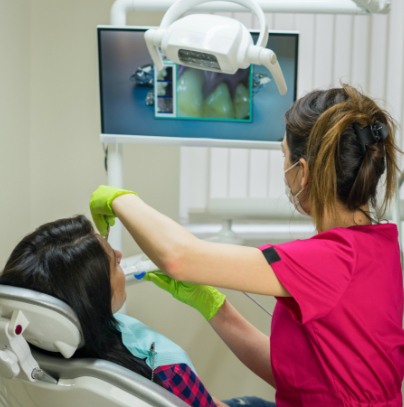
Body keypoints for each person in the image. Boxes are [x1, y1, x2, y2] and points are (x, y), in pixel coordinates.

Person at [89, 83, 404, 406]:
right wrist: (213, 306)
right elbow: (299, 377)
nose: (284, 168)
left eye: (284, 155)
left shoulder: (329, 260)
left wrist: (120, 199)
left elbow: (178, 257)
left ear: (303, 171)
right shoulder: (379, 247)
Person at [0, 215, 225, 407]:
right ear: (94, 297)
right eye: (111, 261)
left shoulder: (24, 352)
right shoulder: (166, 368)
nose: (119, 253)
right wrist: (218, 310)